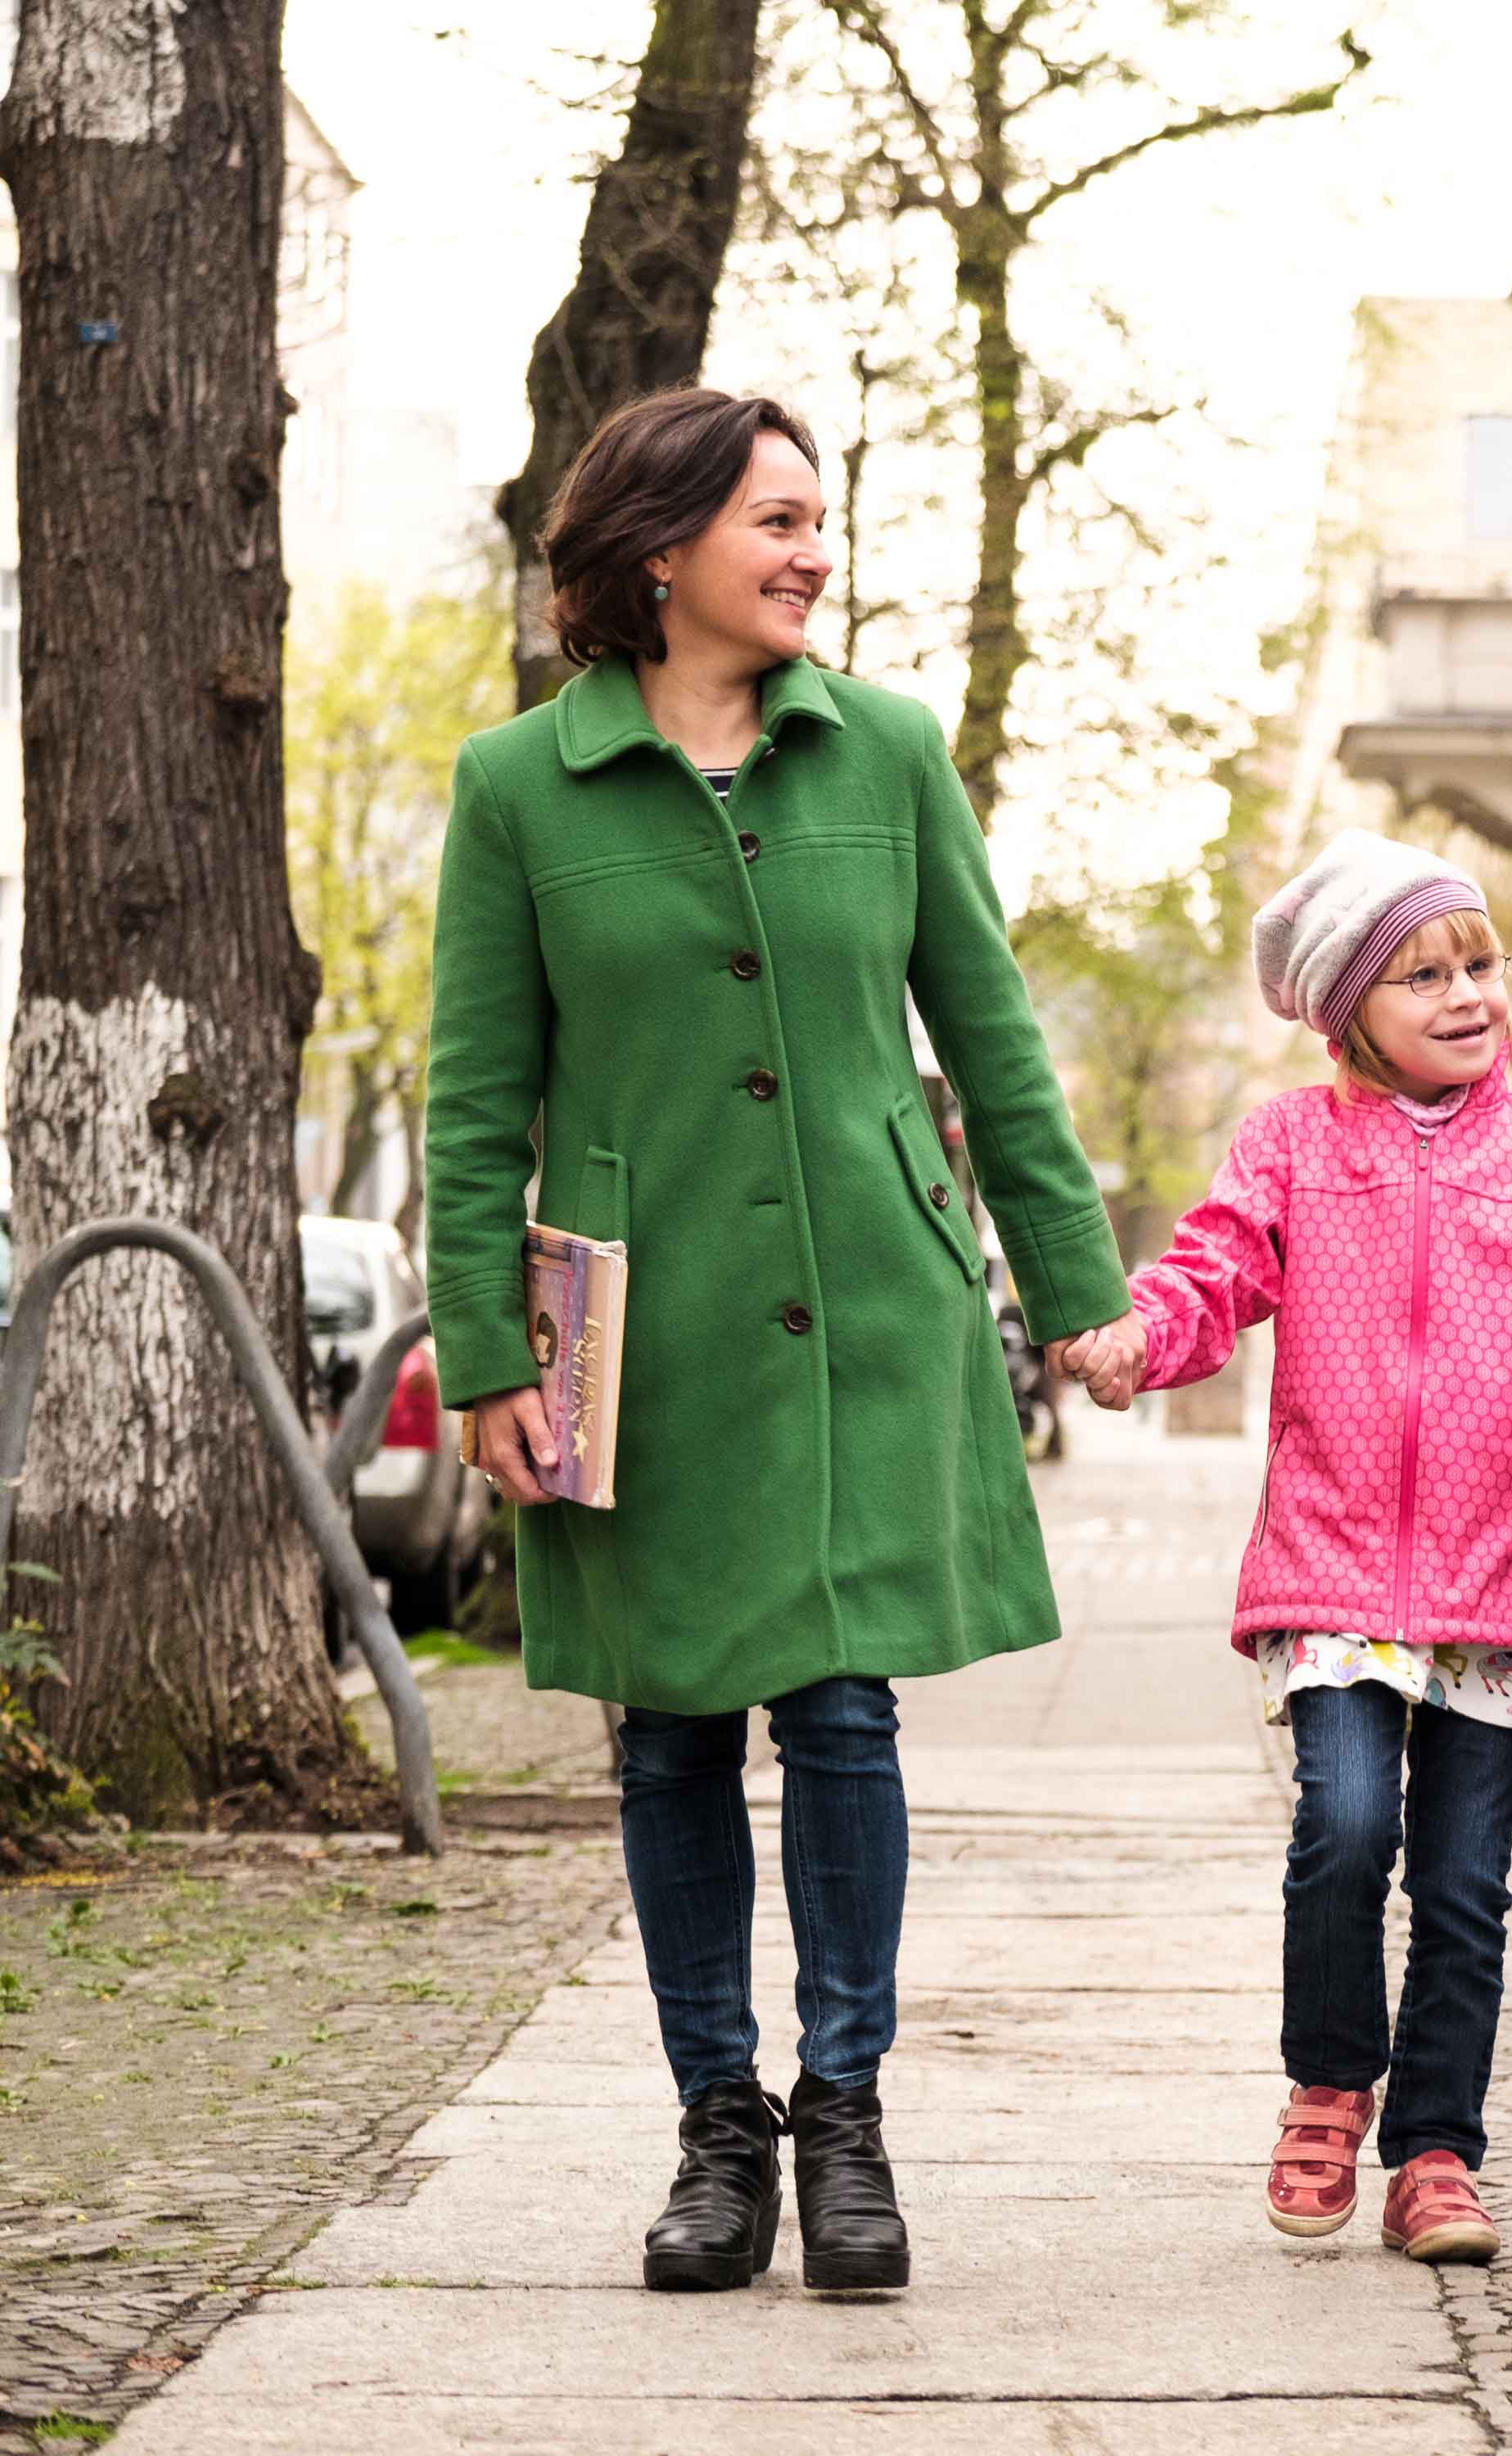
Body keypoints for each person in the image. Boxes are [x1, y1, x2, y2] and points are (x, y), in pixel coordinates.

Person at [426, 387, 1134, 2294]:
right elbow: (475, 1095)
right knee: (667, 1736)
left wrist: (1078, 1291)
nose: (815, 549)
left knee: (839, 1713)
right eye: (777, 519)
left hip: (862, 1323)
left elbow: (992, 1038)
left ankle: (851, 2122)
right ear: (662, 550)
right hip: (635, 1343)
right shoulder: (517, 791)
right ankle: (716, 2132)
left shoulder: (889, 752)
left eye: (823, 519)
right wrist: (482, 1345)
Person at [1054, 831, 1512, 2266]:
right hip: (1330, 1569)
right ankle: (1331, 2081)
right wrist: (1144, 1335)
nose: (1468, 995)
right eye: (1424, 976)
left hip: (1502, 1580)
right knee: (1341, 1830)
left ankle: (1437, 2151)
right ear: (1347, 1016)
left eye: (1480, 964)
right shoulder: (1292, 1144)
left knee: (1462, 1885)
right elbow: (1215, 1268)